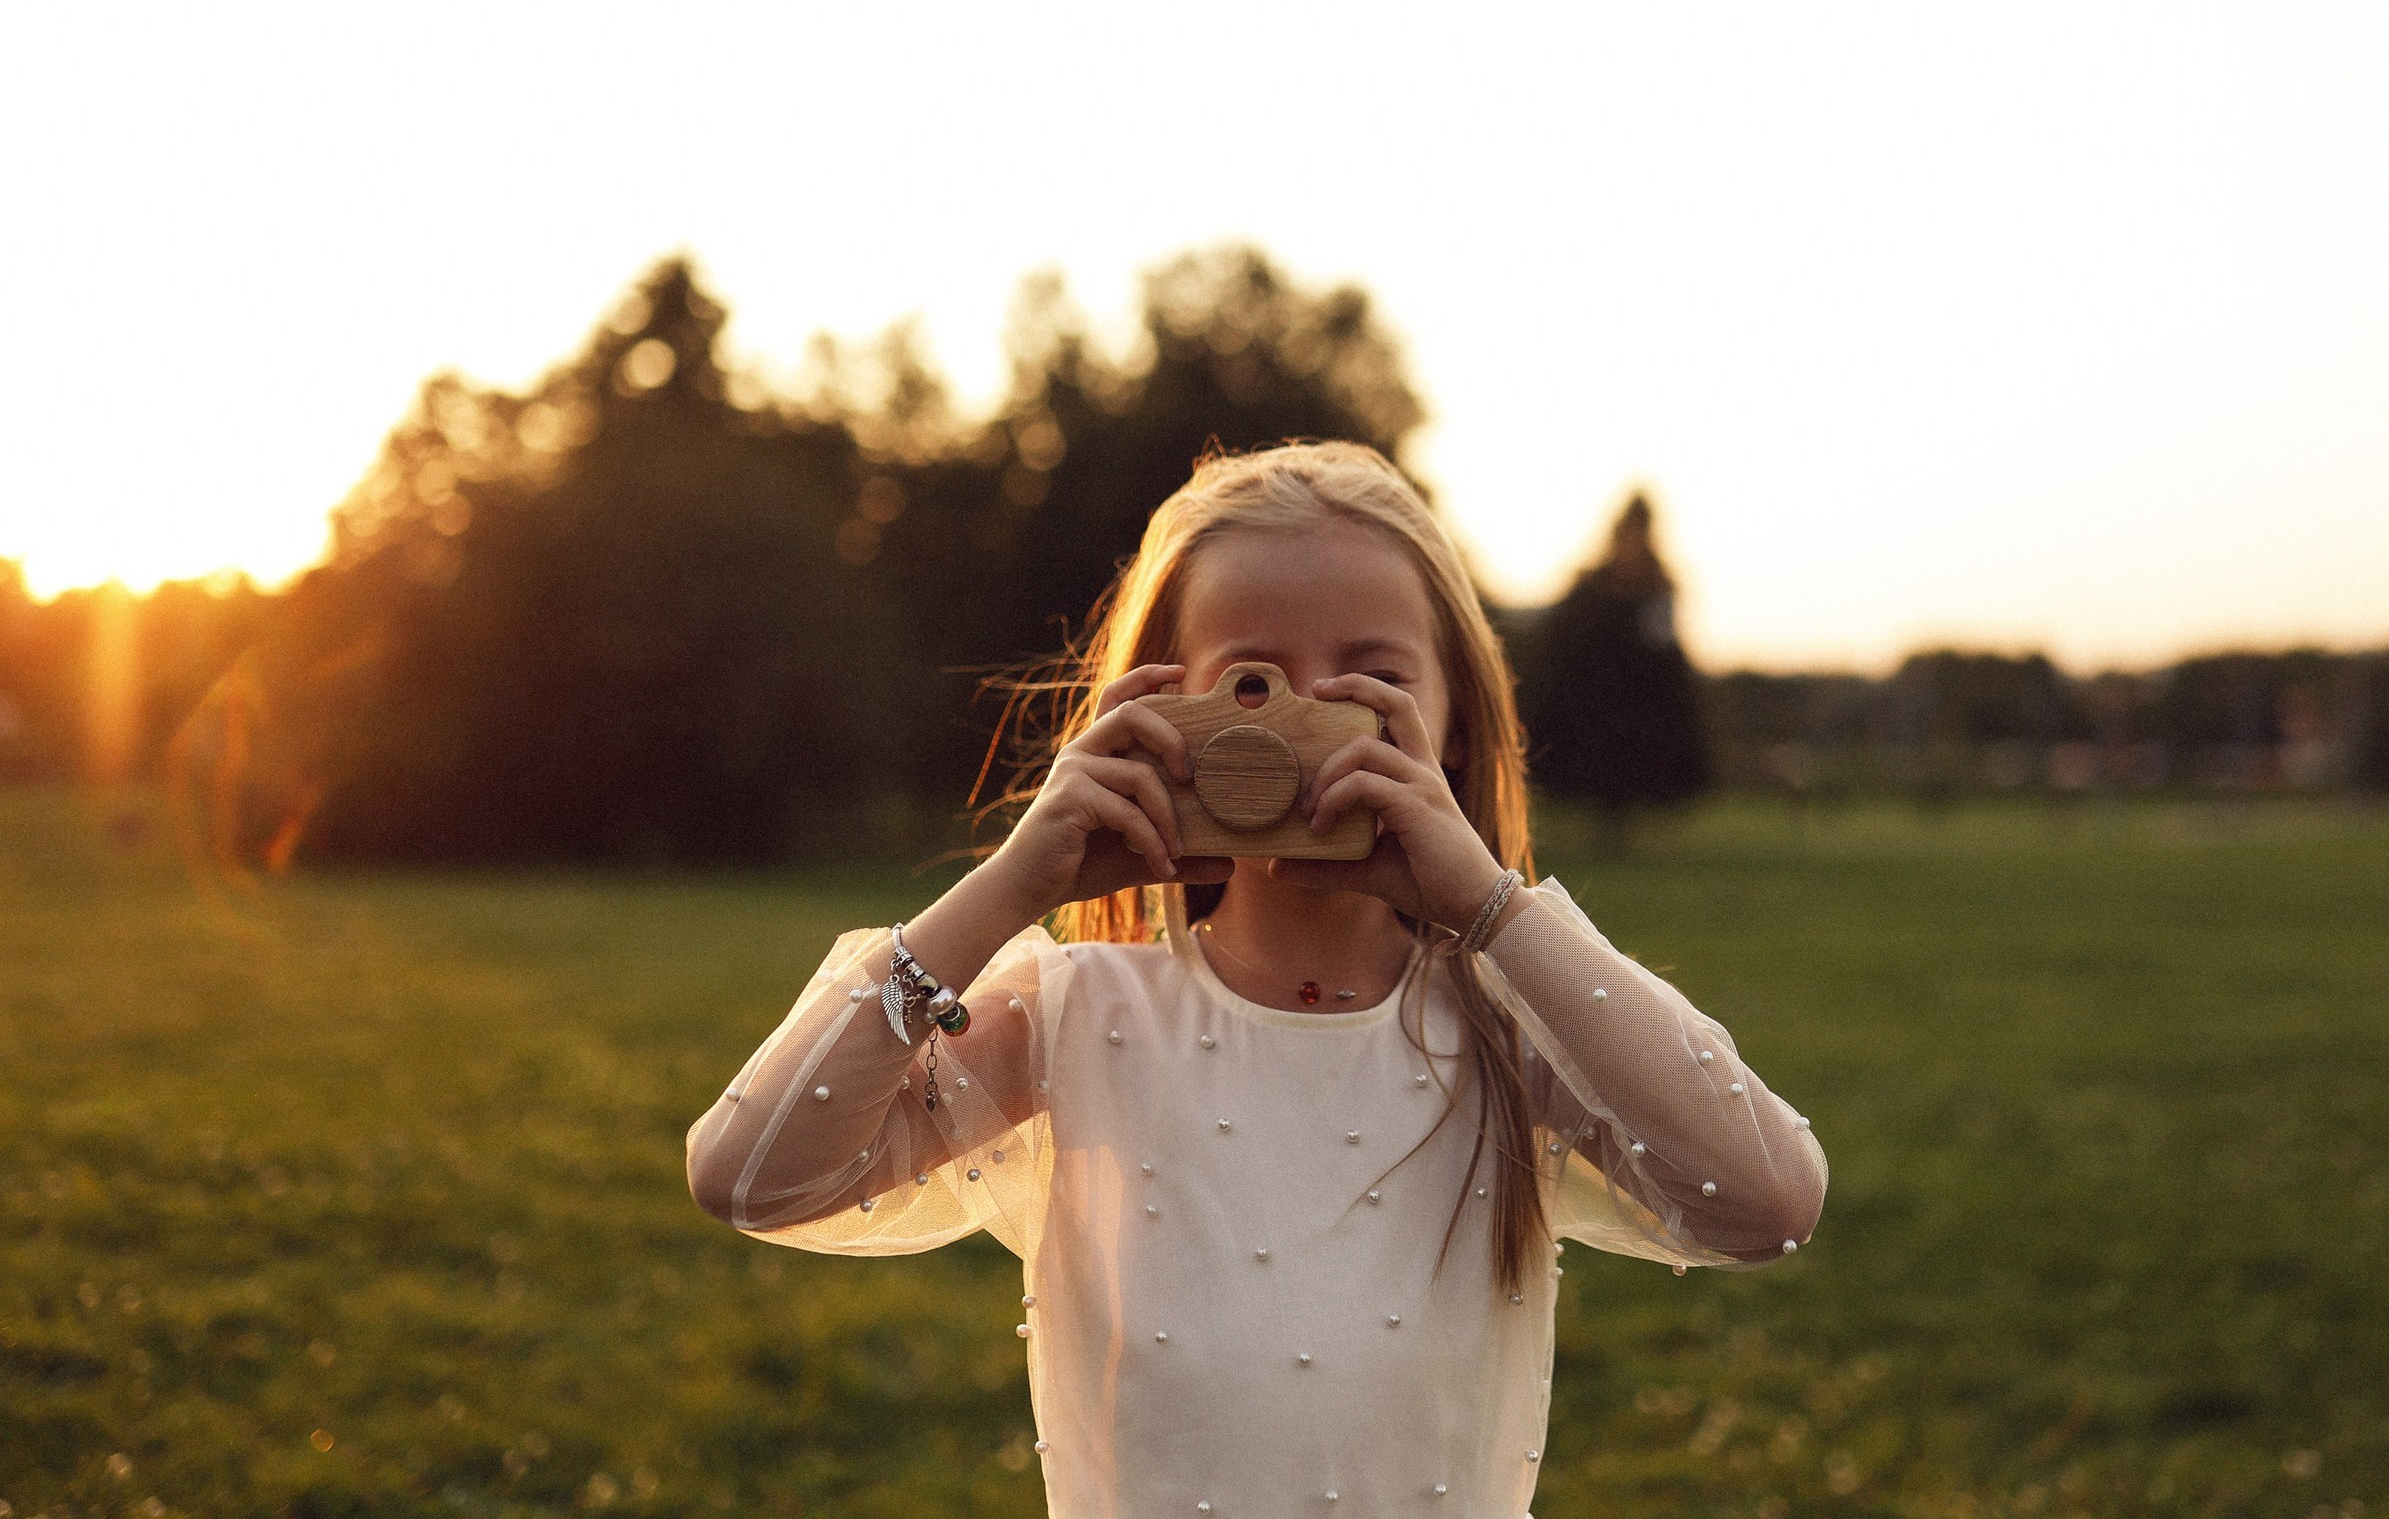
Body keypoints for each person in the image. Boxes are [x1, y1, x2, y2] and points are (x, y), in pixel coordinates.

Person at [685, 441, 1827, 1517]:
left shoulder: (1509, 1031)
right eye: (1250, 681)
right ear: (1157, 711)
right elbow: (748, 1176)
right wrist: (1008, 888)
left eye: (1369, 680)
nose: (1305, 718)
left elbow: (1767, 1203)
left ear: (1455, 727)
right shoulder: (1075, 1015)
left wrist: (1492, 909)